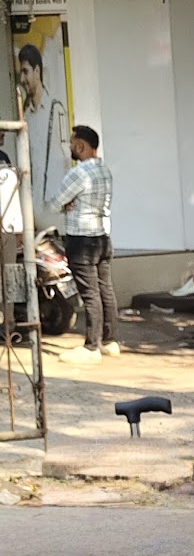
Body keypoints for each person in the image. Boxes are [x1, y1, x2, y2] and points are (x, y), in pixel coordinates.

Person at [49, 125, 117, 361]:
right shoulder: (105, 170)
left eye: (71, 143)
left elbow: (53, 204)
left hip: (81, 239)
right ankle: (110, 340)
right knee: (105, 289)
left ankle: (91, 347)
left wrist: (68, 204)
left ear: (81, 146)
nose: (70, 147)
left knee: (89, 293)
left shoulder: (79, 173)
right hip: (102, 237)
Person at [17, 43, 69, 221]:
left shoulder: (56, 109)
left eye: (26, 71)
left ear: (37, 71)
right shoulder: (27, 116)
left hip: (54, 206)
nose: (23, 79)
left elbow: (66, 157)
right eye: (21, 73)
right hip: (35, 206)